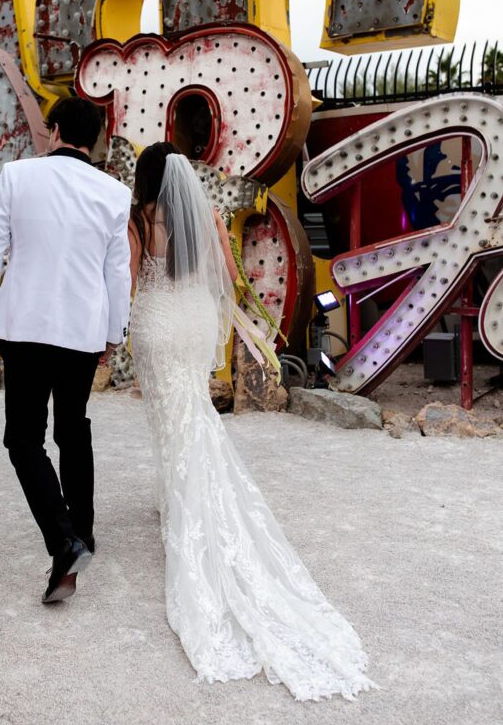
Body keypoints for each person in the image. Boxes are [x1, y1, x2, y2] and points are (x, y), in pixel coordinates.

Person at [127, 142, 376, 701]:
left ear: (145, 179)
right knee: (191, 408)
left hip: (156, 323)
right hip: (191, 319)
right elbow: (227, 276)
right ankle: (177, 496)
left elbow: (131, 279)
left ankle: (179, 500)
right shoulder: (206, 213)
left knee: (169, 415)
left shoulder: (140, 217)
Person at [0, 97, 131, 603]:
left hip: (25, 326)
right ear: (95, 139)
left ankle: (63, 542)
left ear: (55, 129)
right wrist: (114, 332)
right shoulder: (114, 191)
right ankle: (81, 530)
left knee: (23, 440)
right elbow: (117, 271)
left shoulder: (16, 176)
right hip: (83, 330)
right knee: (72, 426)